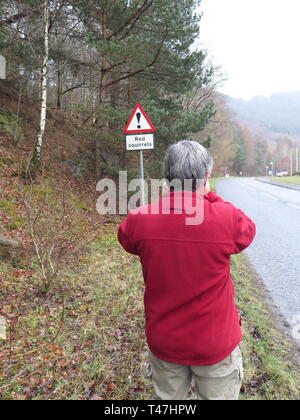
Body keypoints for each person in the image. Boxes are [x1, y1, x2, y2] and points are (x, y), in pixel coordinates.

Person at [118, 140, 256, 400]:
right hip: (215, 344)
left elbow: (126, 238)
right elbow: (248, 230)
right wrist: (209, 195)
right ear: (206, 178)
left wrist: (168, 199)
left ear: (167, 178)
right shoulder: (226, 218)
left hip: (165, 341)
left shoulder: (140, 220)